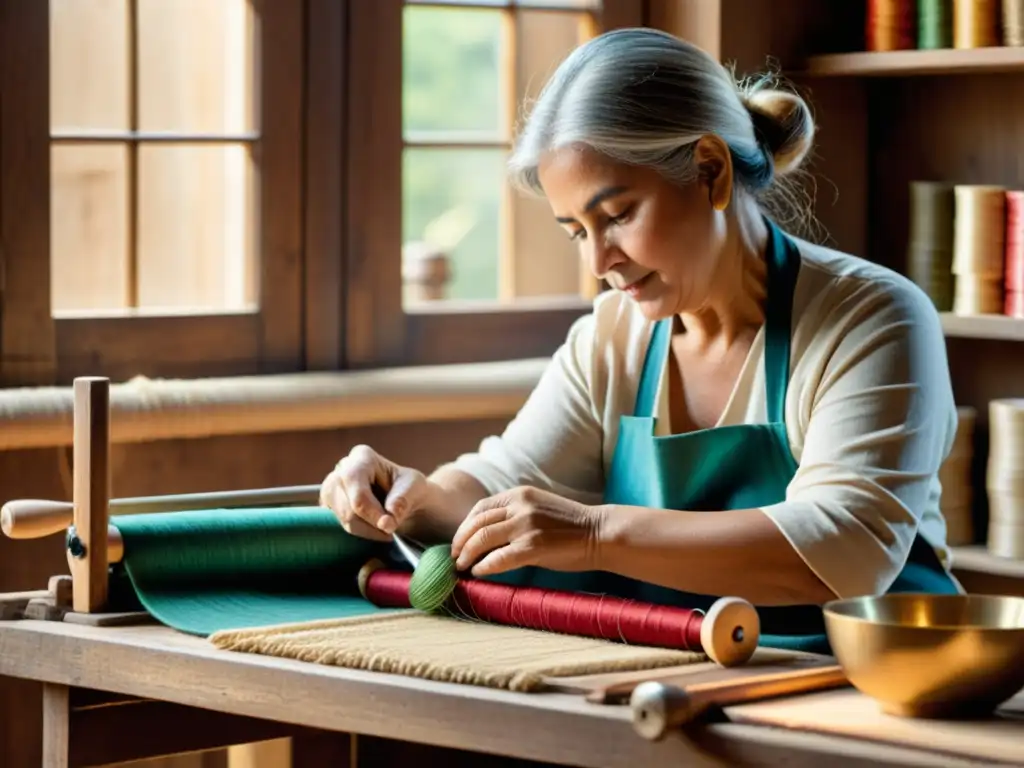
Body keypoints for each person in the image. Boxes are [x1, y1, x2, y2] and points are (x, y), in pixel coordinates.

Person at [320, 28, 962, 652]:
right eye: (577, 231)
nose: (600, 261)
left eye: (619, 215)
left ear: (710, 171)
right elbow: (506, 480)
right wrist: (412, 498)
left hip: (878, 694)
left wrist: (596, 533)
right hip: (695, 676)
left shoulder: (873, 319)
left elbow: (841, 552)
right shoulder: (611, 337)